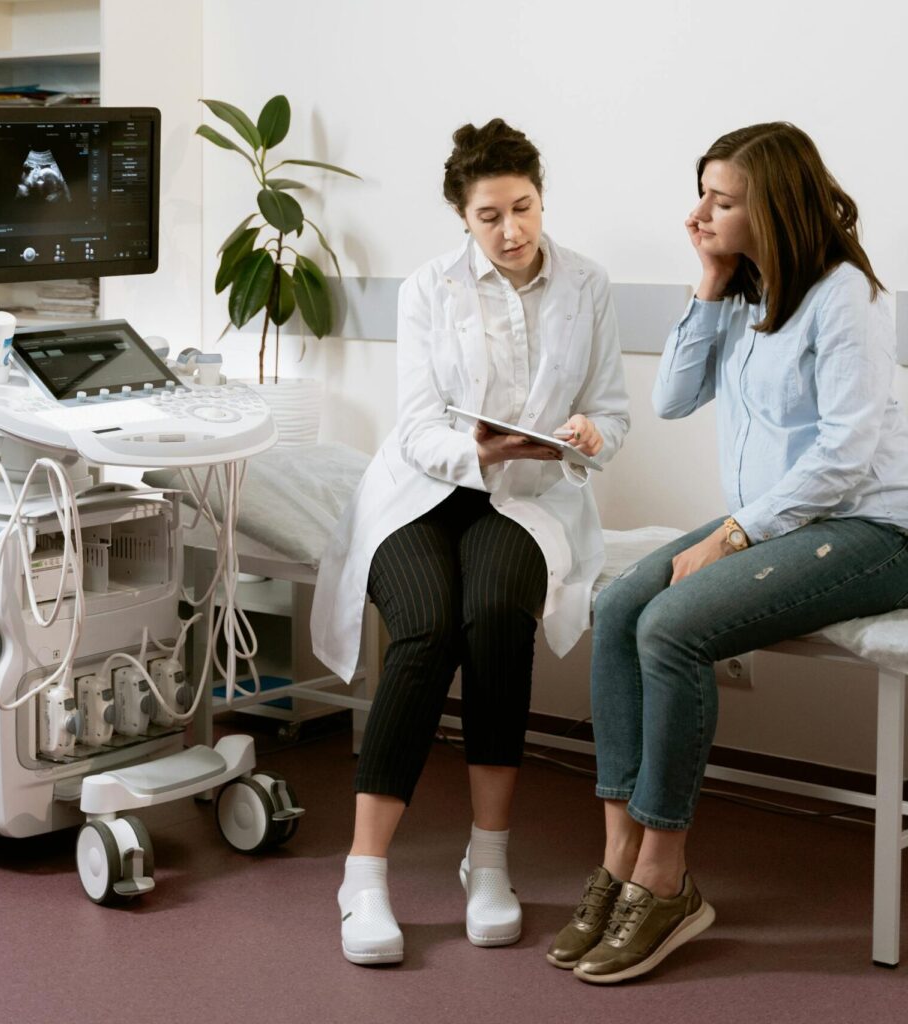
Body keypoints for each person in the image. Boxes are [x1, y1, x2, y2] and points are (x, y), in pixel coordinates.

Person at [548, 121, 908, 984]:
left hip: (872, 530)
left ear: (774, 205)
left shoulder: (846, 296)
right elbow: (672, 398)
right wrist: (708, 286)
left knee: (671, 626)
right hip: (783, 520)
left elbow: (848, 453)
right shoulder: (747, 295)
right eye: (701, 192)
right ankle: (620, 858)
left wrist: (732, 534)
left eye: (722, 199)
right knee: (621, 601)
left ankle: (666, 880)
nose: (698, 213)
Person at [310, 118, 630, 965]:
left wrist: (594, 434)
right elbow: (417, 428)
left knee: (494, 617)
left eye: (523, 208)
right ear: (462, 215)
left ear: (540, 197)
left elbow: (614, 407)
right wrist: (480, 447)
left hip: (528, 501)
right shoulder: (426, 289)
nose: (513, 231)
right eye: (490, 216)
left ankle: (488, 859)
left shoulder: (588, 285)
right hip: (425, 492)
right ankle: (364, 873)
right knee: (424, 630)